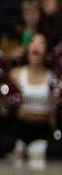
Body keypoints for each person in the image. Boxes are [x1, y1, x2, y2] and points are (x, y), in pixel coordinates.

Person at [10, 32, 57, 160]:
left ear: (47, 50)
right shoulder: (15, 74)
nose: (36, 46)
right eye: (32, 42)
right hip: (21, 127)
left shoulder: (53, 77)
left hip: (44, 129)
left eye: (41, 43)